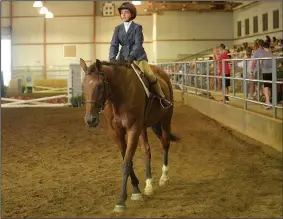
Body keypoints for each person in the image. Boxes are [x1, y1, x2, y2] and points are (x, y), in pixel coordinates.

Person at [109, 2, 172, 109]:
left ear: (131, 14)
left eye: (126, 12)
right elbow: (114, 44)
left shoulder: (137, 27)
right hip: (122, 58)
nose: (123, 15)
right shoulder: (117, 29)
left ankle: (161, 97)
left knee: (149, 74)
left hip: (138, 57)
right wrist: (112, 58)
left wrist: (131, 57)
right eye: (122, 13)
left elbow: (138, 44)